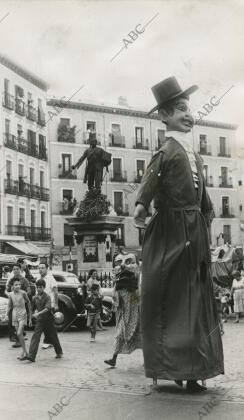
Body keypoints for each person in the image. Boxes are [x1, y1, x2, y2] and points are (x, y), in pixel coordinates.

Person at [134, 76, 224, 392]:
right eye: (181, 109)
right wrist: (141, 206)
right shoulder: (166, 151)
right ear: (164, 116)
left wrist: (206, 216)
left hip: (194, 230)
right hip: (172, 231)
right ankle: (174, 365)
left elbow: (203, 196)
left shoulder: (194, 154)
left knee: (196, 299)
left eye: (188, 108)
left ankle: (195, 367)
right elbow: (149, 182)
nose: (188, 114)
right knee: (174, 299)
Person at [104, 253, 141, 367]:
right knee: (120, 333)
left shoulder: (136, 274)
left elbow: (136, 297)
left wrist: (136, 302)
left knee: (139, 333)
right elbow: (115, 290)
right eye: (119, 263)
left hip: (132, 310)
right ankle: (114, 358)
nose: (122, 265)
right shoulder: (118, 276)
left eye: (128, 262)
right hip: (122, 311)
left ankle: (148, 358)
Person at [22, 279, 63, 362]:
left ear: (44, 287)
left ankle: (59, 352)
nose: (38, 289)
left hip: (49, 320)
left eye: (40, 287)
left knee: (53, 336)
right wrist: (30, 318)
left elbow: (47, 308)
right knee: (35, 337)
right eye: (37, 287)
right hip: (40, 321)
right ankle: (31, 356)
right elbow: (31, 309)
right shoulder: (35, 297)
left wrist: (38, 314)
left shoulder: (47, 297)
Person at [5, 264, 31, 346]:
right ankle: (17, 337)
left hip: (21, 303)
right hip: (13, 303)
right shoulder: (11, 280)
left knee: (20, 321)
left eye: (17, 269)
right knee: (11, 321)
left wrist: (22, 296)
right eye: (14, 269)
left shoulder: (24, 280)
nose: (15, 270)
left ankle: (19, 340)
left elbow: (29, 291)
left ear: (20, 270)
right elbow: (6, 290)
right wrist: (9, 294)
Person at [7, 278, 32, 360]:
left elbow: (28, 303)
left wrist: (30, 317)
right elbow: (10, 305)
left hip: (23, 313)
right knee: (20, 335)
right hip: (15, 314)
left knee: (18, 333)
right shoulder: (10, 294)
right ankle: (25, 352)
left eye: (19, 284)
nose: (18, 286)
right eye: (16, 285)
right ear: (12, 286)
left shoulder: (23, 293)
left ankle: (24, 352)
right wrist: (6, 314)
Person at [37, 262, 59, 349]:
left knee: (48, 323)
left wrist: (56, 304)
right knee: (47, 324)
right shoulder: (38, 278)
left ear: (47, 269)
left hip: (50, 304)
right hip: (41, 304)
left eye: (42, 268)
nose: (40, 270)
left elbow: (55, 292)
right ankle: (50, 341)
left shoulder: (50, 278)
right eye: (39, 268)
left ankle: (47, 341)